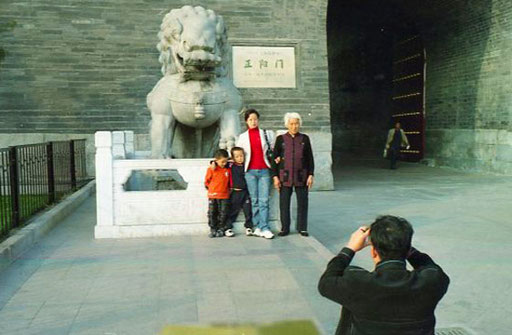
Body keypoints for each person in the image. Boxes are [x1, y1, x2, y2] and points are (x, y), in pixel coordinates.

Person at [318, 215, 450, 335]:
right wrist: (402, 245)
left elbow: (325, 283)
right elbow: (430, 267)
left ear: (374, 252)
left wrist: (350, 248)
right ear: (407, 250)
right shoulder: (432, 281)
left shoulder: (357, 283)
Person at [271, 112, 314, 237]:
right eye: (291, 124)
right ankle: (285, 228)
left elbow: (309, 158)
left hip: (302, 175)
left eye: (296, 123)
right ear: (287, 125)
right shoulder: (280, 139)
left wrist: (311, 174)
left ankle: (302, 227)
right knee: (284, 203)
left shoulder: (305, 138)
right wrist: (275, 177)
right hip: (284, 176)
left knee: (303, 202)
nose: (294, 126)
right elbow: (274, 159)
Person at [236, 109, 275, 239]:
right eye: (250, 119)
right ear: (246, 121)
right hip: (250, 172)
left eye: (255, 119)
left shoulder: (267, 134)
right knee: (255, 201)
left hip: (264, 171)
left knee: (264, 200)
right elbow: (237, 155)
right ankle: (257, 226)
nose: (253, 122)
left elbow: (274, 150)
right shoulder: (242, 137)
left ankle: (265, 227)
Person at [226, 146, 254, 237]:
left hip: (245, 192)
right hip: (235, 192)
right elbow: (220, 161)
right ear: (233, 158)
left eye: (241, 156)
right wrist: (213, 162)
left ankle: (249, 227)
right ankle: (228, 228)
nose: (240, 158)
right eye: (237, 156)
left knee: (248, 210)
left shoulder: (246, 166)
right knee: (233, 210)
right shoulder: (231, 166)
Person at [204, 149, 231, 238]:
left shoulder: (227, 169)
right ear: (216, 160)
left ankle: (221, 228)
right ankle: (213, 228)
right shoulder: (212, 169)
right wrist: (211, 189)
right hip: (213, 195)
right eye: (222, 162)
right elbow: (207, 181)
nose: (224, 163)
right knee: (212, 212)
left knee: (223, 212)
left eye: (225, 161)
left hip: (224, 195)